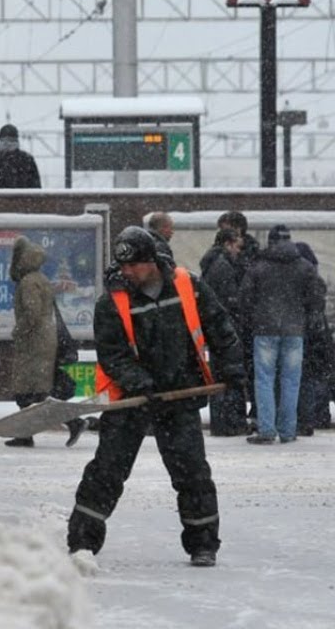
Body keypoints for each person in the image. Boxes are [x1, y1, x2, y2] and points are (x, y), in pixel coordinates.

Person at [67, 226, 246, 568]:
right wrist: (141, 383)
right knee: (107, 471)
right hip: (131, 399)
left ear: (151, 261)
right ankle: (82, 541)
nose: (127, 272)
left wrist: (232, 370)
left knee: (192, 472)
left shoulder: (188, 286)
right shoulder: (112, 303)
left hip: (179, 395)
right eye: (123, 267)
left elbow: (220, 328)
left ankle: (202, 543)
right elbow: (113, 355)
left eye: (134, 265)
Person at [240, 225, 324, 444]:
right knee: (291, 381)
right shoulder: (304, 266)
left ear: (270, 241)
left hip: (265, 329)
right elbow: (316, 298)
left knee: (264, 380)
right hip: (295, 330)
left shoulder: (259, 266)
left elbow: (245, 298)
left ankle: (267, 430)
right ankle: (288, 430)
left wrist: (252, 320)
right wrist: (307, 319)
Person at [3, 237, 86, 448]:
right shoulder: (41, 278)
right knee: (35, 390)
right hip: (44, 340)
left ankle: (72, 422)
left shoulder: (29, 282)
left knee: (30, 391)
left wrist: (18, 331)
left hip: (34, 343)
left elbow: (32, 314)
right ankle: (28, 433)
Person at [202, 228, 251, 436]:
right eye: (237, 246)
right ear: (228, 244)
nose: (238, 251)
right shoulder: (223, 267)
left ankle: (223, 422)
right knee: (229, 376)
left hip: (217, 331)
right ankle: (228, 423)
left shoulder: (212, 264)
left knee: (222, 375)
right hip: (224, 331)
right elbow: (229, 302)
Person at [294, 241, 334, 434]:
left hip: (306, 335)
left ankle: (309, 417)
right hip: (318, 335)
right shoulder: (315, 279)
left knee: (306, 378)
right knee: (317, 377)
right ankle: (320, 415)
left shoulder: (301, 279)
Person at [0, 124, 41, 189]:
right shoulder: (27, 160)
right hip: (22, 198)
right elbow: (36, 189)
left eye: (11, 140)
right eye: (5, 141)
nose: (8, 144)